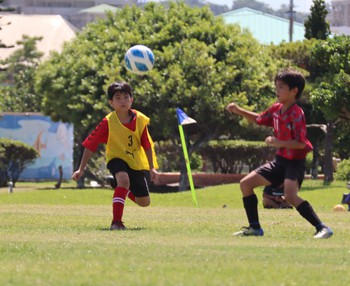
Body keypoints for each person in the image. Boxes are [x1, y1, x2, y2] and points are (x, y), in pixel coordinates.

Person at [226, 68, 333, 239]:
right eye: (276, 86)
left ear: (294, 91)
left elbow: (300, 143)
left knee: (290, 196)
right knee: (245, 184)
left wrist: (278, 142)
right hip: (279, 162)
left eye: (281, 87)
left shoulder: (297, 114)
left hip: (294, 163)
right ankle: (255, 228)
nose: (277, 90)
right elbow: (260, 119)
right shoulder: (276, 109)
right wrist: (239, 110)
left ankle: (322, 228)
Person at [72, 81, 159, 230]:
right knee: (124, 180)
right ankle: (116, 222)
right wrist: (81, 169)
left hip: (135, 162)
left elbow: (147, 145)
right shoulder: (108, 122)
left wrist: (152, 168)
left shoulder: (140, 120)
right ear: (111, 102)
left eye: (126, 97)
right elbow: (90, 145)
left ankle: (118, 186)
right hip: (116, 158)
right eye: (117, 98)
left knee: (144, 202)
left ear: (131, 99)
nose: (122, 101)